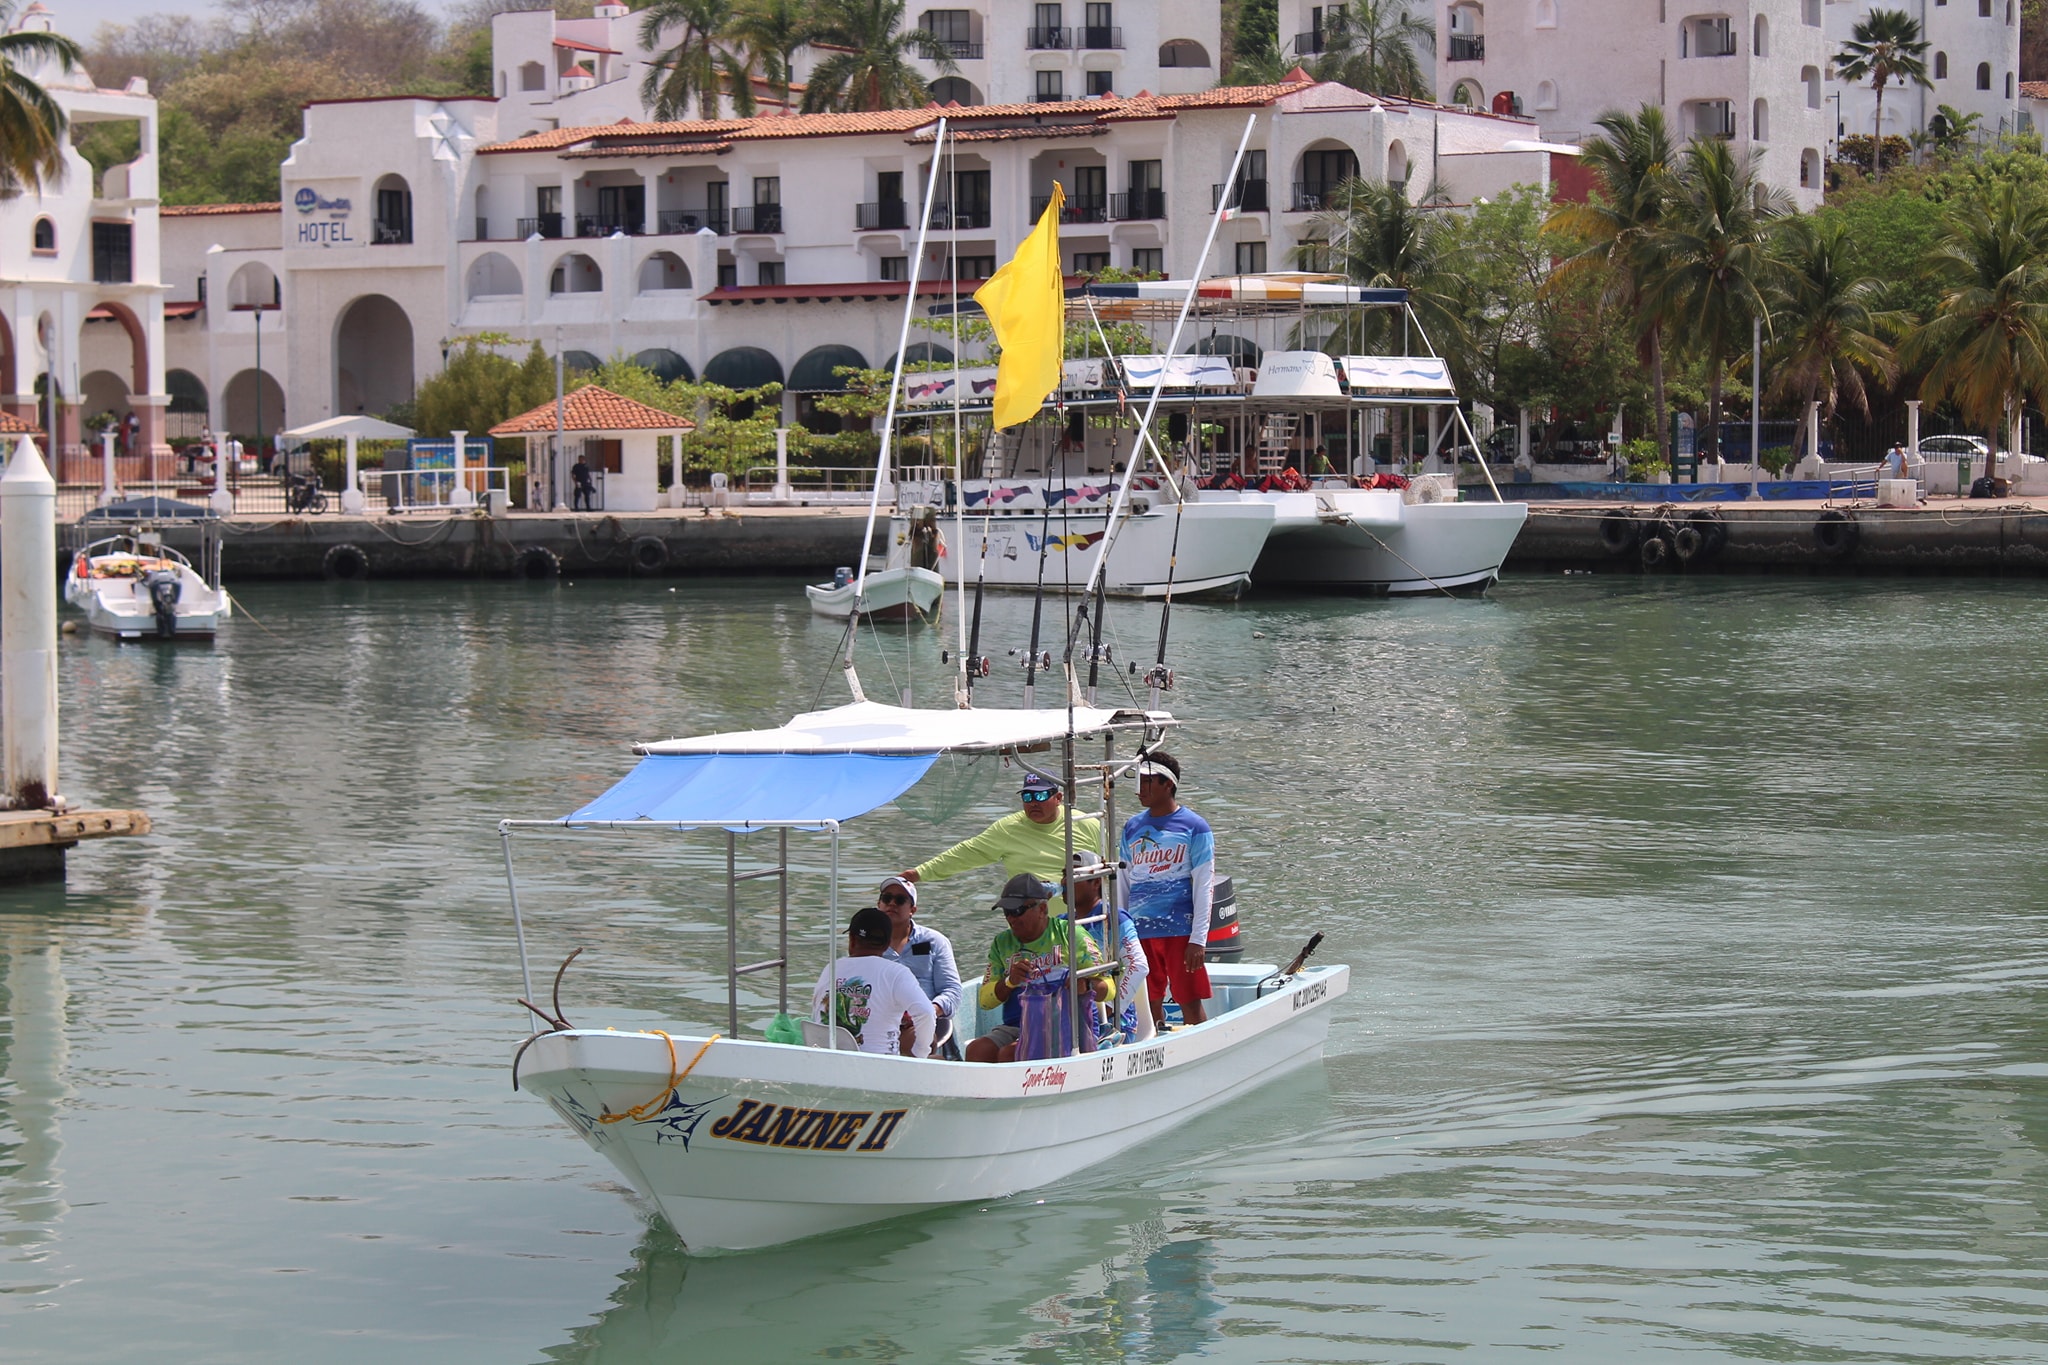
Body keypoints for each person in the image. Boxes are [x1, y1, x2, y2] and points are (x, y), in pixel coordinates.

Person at [899, 773, 1101, 918]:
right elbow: (967, 853)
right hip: (1032, 927)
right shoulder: (1008, 828)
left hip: (1085, 922)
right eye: (1027, 797)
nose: (1033, 803)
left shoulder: (1088, 824)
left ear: (1058, 798)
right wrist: (918, 874)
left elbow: (1114, 869)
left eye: (1040, 796)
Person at [965, 873, 1114, 1064]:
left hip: (1066, 1026)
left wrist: (1086, 984)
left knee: (1009, 1055)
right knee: (977, 1050)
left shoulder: (1071, 935)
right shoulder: (1001, 943)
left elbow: (1109, 988)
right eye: (1006, 912)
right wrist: (1010, 981)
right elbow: (985, 1001)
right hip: (1018, 1025)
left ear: (1042, 908)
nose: (1011, 918)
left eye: (1017, 911)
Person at [1121, 752, 1214, 1028]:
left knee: (1189, 999)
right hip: (1139, 932)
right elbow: (1124, 880)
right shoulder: (1132, 827)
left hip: (1180, 932)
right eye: (1138, 781)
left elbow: (1204, 885)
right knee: (1146, 1001)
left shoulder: (1195, 827)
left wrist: (1198, 939)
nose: (1141, 789)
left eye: (1148, 782)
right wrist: (1121, 929)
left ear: (1168, 785)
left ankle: (1200, 1051)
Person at [810, 905, 935, 1057]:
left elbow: (816, 1013)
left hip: (826, 1062)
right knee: (939, 1058)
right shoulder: (896, 973)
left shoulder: (831, 969)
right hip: (880, 1069)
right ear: (887, 943)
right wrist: (921, 1054)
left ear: (852, 940)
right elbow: (926, 1013)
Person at [1068, 851, 1154, 1046]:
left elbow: (1138, 965)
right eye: (1064, 875)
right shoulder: (1062, 923)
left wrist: (1108, 1008)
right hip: (1071, 1015)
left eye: (1074, 875)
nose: (1066, 881)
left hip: (1117, 1021)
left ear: (1096, 882)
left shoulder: (1115, 918)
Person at [875, 875, 961, 1057]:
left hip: (920, 1024)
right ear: (879, 904)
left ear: (912, 909)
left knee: (916, 1038)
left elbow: (952, 991)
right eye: (886, 898)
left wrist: (925, 1010)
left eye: (900, 900)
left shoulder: (935, 942)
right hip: (877, 1021)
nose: (892, 903)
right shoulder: (867, 943)